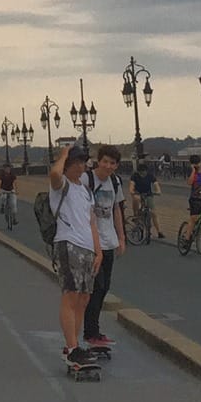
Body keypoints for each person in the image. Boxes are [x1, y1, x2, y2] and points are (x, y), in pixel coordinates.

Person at [48, 147, 98, 371]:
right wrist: (63, 155)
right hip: (68, 243)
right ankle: (71, 348)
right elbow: (54, 175)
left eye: (84, 162)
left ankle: (75, 345)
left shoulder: (85, 190)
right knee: (70, 295)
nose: (82, 166)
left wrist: (99, 250)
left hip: (87, 247)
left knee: (83, 298)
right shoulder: (62, 186)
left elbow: (92, 221)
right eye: (77, 162)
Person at [83, 148, 130, 356]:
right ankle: (90, 332)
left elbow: (116, 210)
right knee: (96, 286)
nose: (108, 166)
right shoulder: (87, 180)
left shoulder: (115, 182)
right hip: (91, 242)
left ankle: (94, 331)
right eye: (105, 162)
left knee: (104, 288)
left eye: (112, 163)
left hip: (109, 241)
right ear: (98, 161)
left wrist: (121, 237)